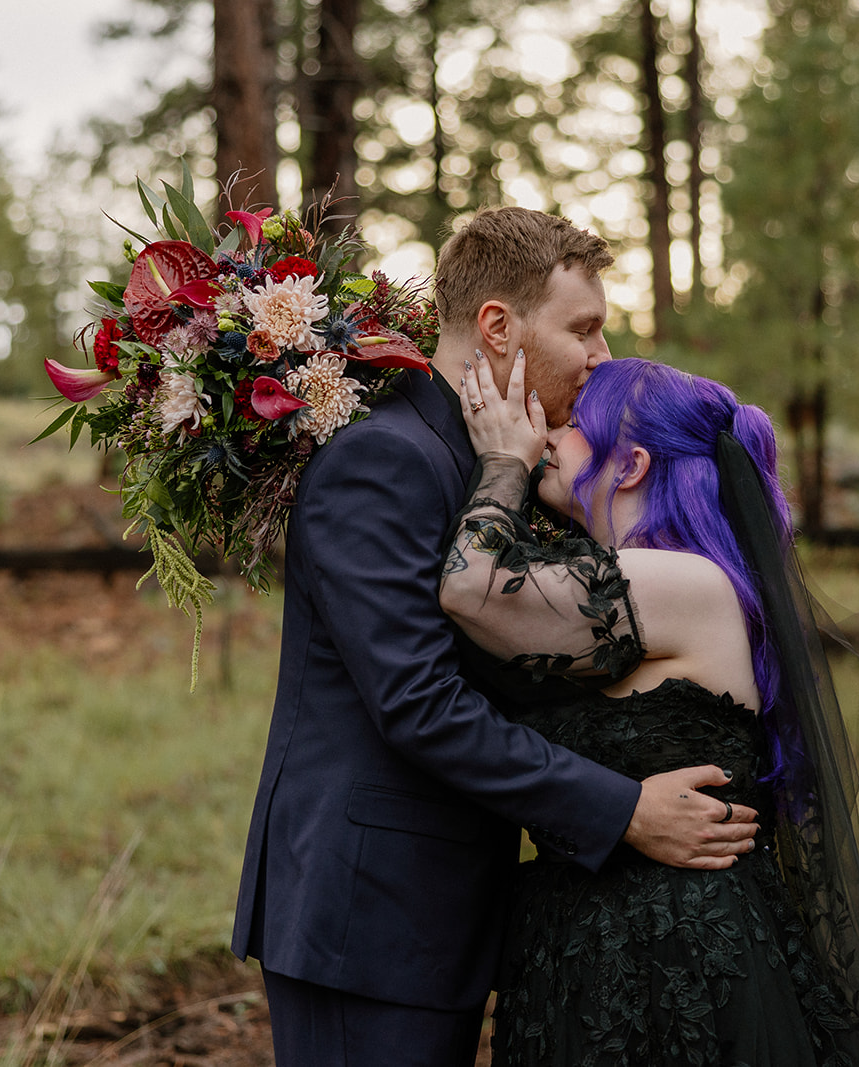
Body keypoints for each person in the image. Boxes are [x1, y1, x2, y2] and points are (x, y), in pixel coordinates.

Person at [231, 207, 761, 1067]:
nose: (601, 355)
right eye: (583, 328)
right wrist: (624, 810)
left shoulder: (492, 465)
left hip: (445, 915)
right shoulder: (388, 460)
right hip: (366, 913)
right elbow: (419, 704)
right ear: (498, 327)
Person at [440, 355, 859, 1065]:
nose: (548, 434)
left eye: (573, 426)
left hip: (671, 966)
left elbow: (467, 588)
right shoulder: (645, 578)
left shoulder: (676, 581)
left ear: (629, 463)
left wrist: (504, 462)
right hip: (599, 954)